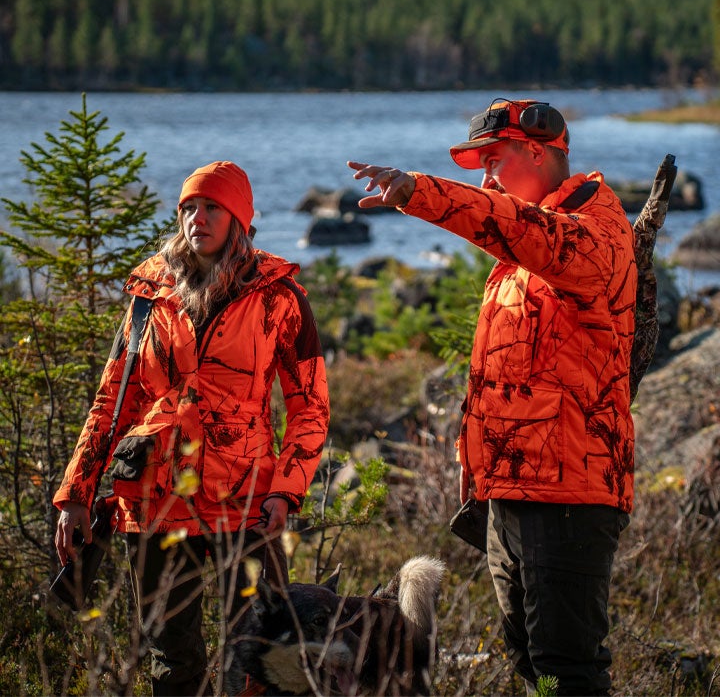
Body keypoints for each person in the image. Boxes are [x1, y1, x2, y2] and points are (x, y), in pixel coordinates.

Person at [348, 98, 637, 697]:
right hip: (511, 489)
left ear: (536, 151)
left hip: (570, 490)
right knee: (529, 663)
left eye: (493, 161)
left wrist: (417, 192)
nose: (485, 178)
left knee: (568, 668)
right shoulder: (525, 251)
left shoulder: (596, 231)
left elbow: (518, 227)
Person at [53, 160, 330, 696]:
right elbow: (113, 399)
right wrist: (77, 493)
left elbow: (311, 406)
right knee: (170, 663)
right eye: (188, 208)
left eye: (211, 208)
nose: (196, 219)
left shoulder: (279, 295)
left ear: (239, 218)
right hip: (154, 498)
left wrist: (286, 491)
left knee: (259, 661)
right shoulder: (148, 292)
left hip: (245, 500)